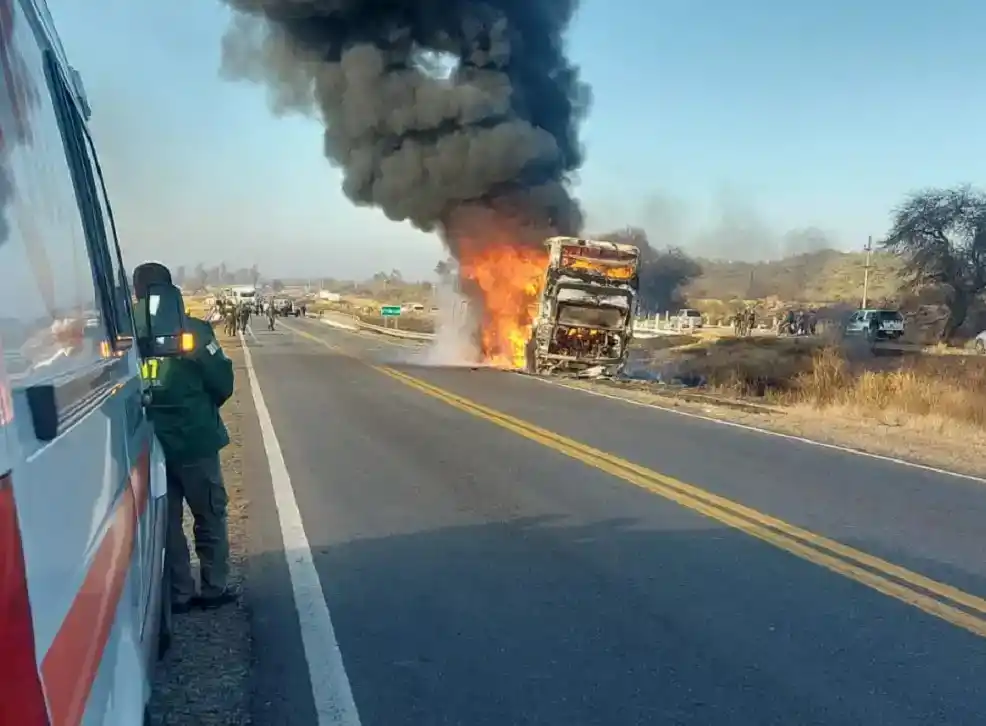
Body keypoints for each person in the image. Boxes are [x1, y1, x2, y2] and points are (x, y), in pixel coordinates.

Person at [132, 262, 237, 613]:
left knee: (167, 522)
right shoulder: (194, 331)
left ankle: (178, 592)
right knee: (209, 515)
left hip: (148, 445)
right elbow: (222, 384)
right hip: (194, 441)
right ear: (170, 290)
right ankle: (213, 587)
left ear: (136, 292)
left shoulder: (122, 334)